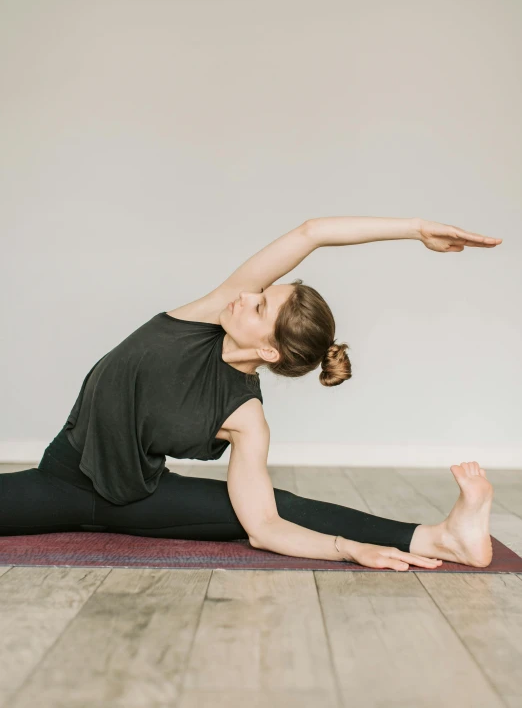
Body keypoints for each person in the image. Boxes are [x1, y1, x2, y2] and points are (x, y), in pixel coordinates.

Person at [1, 216, 502, 571]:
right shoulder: (205, 317)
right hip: (59, 483)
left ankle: (442, 538)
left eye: (260, 305)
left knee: (275, 505)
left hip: (142, 501)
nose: (244, 294)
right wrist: (416, 229)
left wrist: (347, 548)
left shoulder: (246, 417)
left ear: (268, 351)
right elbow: (314, 232)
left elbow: (264, 526)